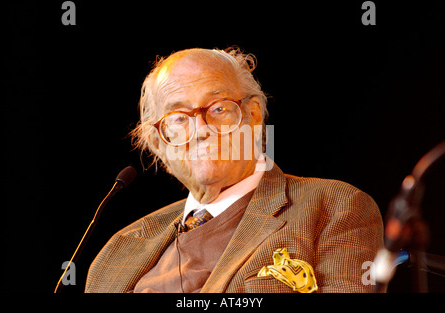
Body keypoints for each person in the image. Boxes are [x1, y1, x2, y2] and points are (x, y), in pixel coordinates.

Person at [84, 47, 384, 293]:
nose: (200, 130)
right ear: (157, 142)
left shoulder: (333, 207)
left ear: (253, 116)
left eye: (218, 108)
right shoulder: (119, 248)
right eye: (178, 118)